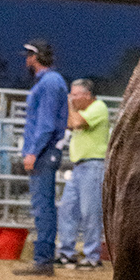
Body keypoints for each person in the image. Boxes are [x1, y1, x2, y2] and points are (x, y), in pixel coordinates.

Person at [15, 39, 67, 277]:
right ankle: (43, 257)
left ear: (34, 58)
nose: (26, 60)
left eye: (28, 56)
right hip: (46, 151)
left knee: (42, 205)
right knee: (43, 204)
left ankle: (44, 259)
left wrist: (33, 152)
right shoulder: (51, 82)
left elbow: (45, 124)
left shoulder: (48, 83)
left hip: (43, 153)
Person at [57, 78, 109, 267]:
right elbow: (70, 122)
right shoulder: (85, 109)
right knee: (67, 210)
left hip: (93, 165)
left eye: (75, 95)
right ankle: (66, 252)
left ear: (87, 96)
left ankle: (92, 256)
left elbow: (76, 123)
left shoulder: (98, 108)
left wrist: (70, 106)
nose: (72, 98)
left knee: (90, 213)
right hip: (78, 166)